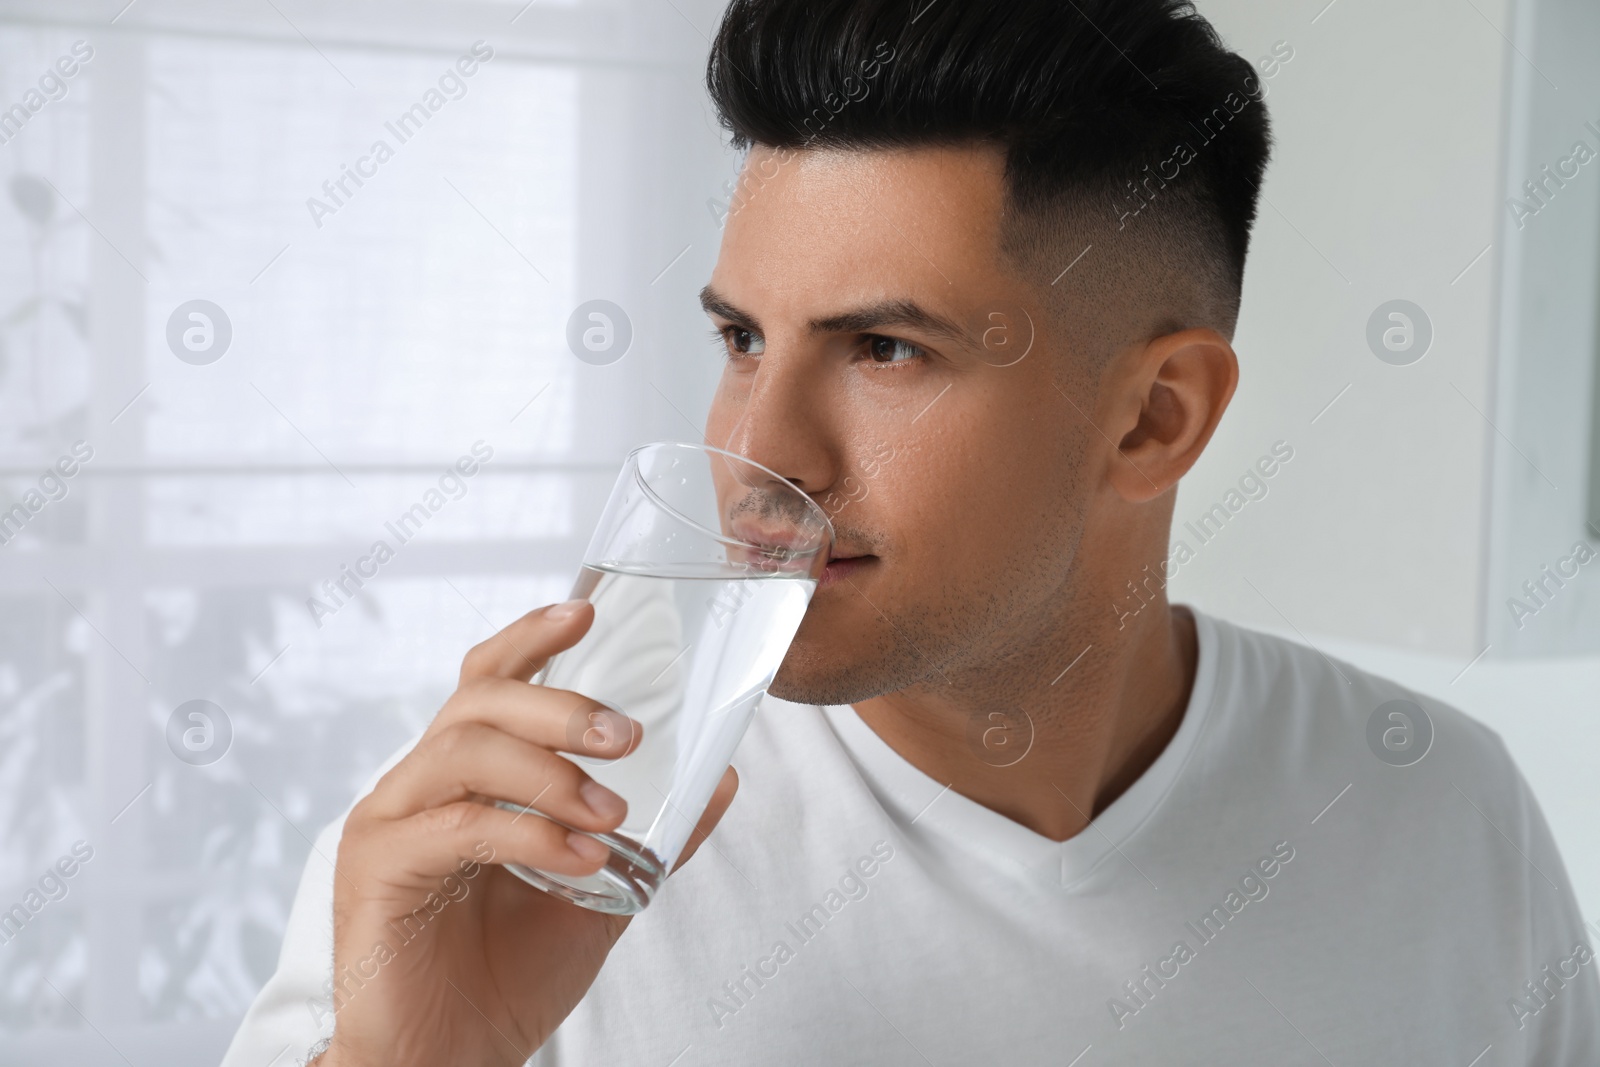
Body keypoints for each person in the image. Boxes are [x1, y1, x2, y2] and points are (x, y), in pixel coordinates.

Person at [223, 0, 1600, 1063]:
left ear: (1155, 420)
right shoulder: (525, 836)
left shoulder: (1444, 818)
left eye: (883, 348)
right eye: (741, 337)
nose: (757, 454)